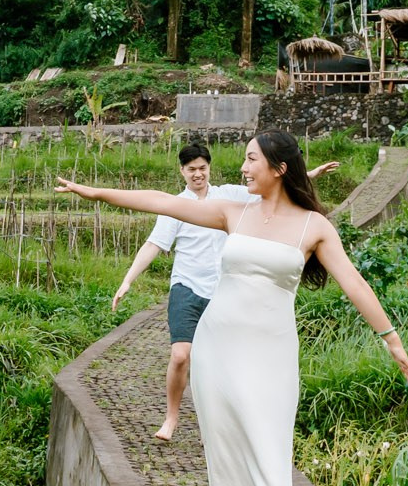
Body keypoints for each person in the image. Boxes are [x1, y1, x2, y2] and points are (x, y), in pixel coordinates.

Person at [60, 131, 408, 486]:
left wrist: (391, 339)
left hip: (271, 355)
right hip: (217, 351)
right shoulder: (234, 211)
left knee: (270, 458)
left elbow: (353, 282)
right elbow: (163, 203)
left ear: (278, 167)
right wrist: (97, 194)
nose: (242, 166)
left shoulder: (314, 226)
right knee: (226, 465)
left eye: (250, 158)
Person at [112, 142, 338, 442]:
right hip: (186, 287)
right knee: (181, 356)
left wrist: (310, 175)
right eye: (191, 170)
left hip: (222, 292)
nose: (197, 175)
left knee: (216, 362)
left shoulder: (228, 195)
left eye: (202, 168)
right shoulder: (177, 206)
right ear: (182, 171)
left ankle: (213, 424)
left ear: (209, 169)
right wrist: (128, 280)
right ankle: (171, 417)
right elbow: (154, 244)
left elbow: (273, 186)